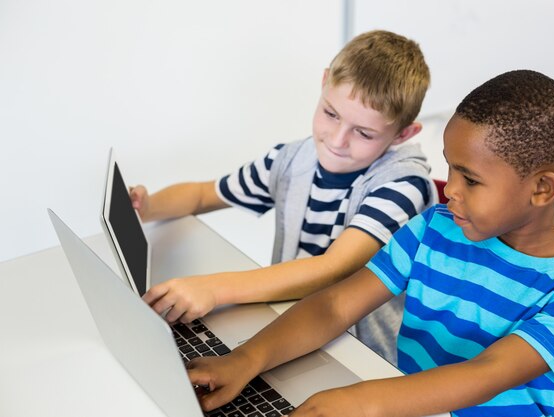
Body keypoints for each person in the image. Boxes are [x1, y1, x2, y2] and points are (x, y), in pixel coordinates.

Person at [185, 70, 554, 417]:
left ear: (542, 189)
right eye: (451, 169)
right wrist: (245, 360)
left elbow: (487, 373)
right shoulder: (435, 227)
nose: (450, 190)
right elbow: (336, 305)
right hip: (400, 403)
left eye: (470, 179)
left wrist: (359, 402)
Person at [130, 30, 437, 364]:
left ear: (403, 134)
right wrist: (147, 206)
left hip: (362, 357)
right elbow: (203, 194)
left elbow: (333, 268)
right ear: (323, 83)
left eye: (363, 132)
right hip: (288, 330)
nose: (336, 140)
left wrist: (213, 289)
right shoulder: (291, 161)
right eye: (331, 114)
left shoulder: (404, 184)